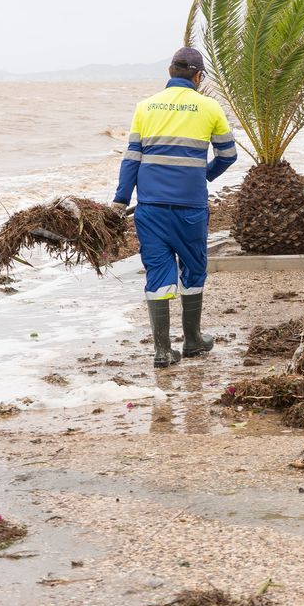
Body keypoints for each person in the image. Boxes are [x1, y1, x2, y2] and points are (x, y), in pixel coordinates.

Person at [112, 47, 237, 368]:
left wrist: (120, 201)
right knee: (193, 268)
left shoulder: (145, 107)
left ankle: (162, 350)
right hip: (190, 208)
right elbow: (228, 155)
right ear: (198, 77)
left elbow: (131, 159)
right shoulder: (210, 107)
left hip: (150, 208)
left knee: (158, 271)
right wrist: (201, 175)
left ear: (170, 73)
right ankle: (193, 340)